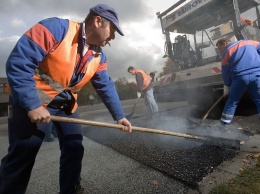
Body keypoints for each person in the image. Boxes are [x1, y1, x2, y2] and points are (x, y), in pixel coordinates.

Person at [0, 4, 132, 194]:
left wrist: (119, 116)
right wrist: (33, 105)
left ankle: (71, 189)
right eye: (112, 30)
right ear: (97, 21)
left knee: (74, 146)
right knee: (23, 154)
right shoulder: (55, 29)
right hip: (32, 100)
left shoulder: (99, 57)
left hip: (66, 104)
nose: (112, 37)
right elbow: (18, 63)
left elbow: (106, 86)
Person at [216, 38, 260, 125]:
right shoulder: (249, 42)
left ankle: (224, 124)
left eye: (220, 48)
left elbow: (226, 73)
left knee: (232, 101)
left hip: (240, 78)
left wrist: (227, 86)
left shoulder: (226, 52)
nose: (220, 51)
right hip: (257, 76)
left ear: (225, 43)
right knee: (259, 99)